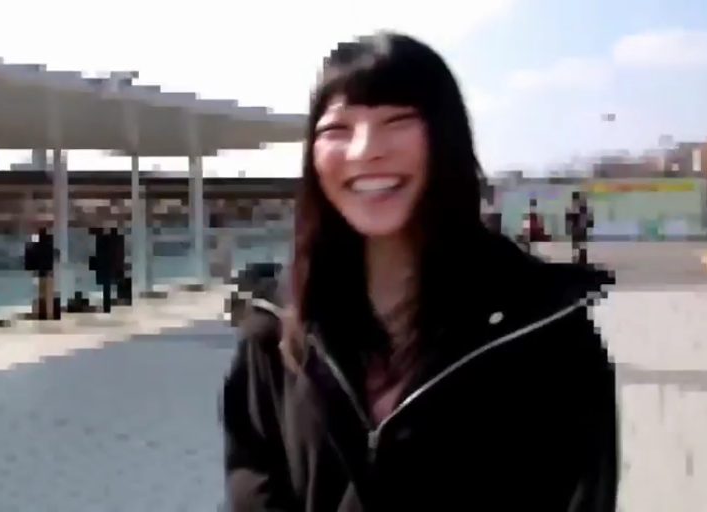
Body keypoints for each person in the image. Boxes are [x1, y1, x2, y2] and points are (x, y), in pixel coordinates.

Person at [222, 31, 618, 512]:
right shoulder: (275, 325)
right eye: (337, 129)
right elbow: (253, 484)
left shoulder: (545, 331)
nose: (365, 150)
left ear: (446, 138)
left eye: (397, 121)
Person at [566, 191, 594, 264]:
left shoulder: (572, 208)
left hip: (578, 230)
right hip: (580, 230)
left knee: (578, 248)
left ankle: (578, 260)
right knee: (580, 248)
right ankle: (580, 260)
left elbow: (568, 220)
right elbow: (590, 220)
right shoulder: (582, 208)